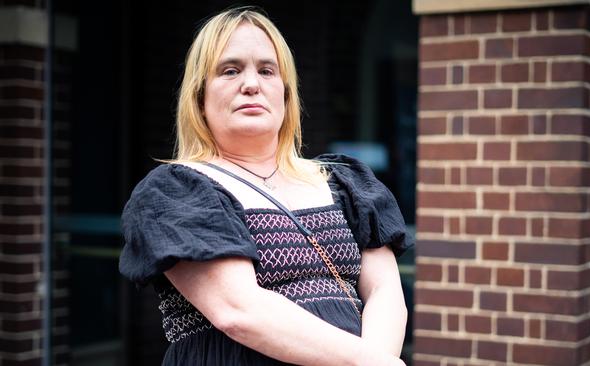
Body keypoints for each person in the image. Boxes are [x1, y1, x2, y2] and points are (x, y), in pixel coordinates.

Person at [119, 6, 413, 366]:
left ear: (286, 94)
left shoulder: (347, 184)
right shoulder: (176, 191)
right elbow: (239, 311)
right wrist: (368, 363)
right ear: (199, 97)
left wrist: (377, 361)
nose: (251, 84)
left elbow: (385, 290)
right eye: (230, 70)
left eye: (266, 70)